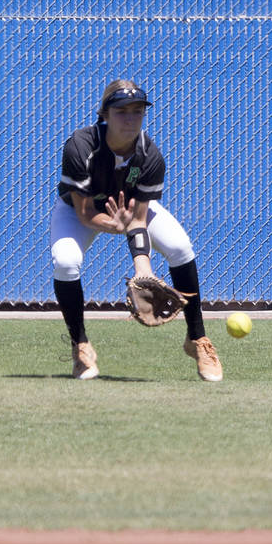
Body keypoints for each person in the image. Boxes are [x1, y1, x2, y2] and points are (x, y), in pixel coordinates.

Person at [50, 79, 223, 382]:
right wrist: (112, 225)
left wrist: (143, 269)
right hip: (81, 212)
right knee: (65, 261)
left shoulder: (150, 156)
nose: (131, 118)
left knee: (180, 247)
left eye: (138, 111)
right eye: (121, 111)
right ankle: (80, 346)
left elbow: (139, 218)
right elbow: (86, 212)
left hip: (130, 210)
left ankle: (197, 339)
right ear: (104, 114)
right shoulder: (80, 146)